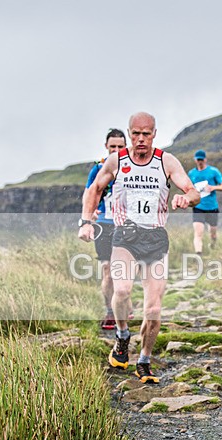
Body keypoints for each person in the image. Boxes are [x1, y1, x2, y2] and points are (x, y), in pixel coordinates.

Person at [79, 112, 200, 384]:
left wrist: (186, 199)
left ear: (154, 134)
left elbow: (193, 191)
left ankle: (144, 360)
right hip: (125, 236)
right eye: (136, 133)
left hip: (155, 239)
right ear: (129, 133)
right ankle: (122, 334)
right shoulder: (117, 161)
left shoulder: (166, 161)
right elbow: (94, 190)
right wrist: (86, 222)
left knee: (153, 310)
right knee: (121, 290)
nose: (141, 139)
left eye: (146, 133)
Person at [83, 128, 127, 329]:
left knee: (124, 270)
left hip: (126, 224)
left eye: (120, 147)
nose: (116, 150)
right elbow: (88, 193)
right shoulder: (98, 168)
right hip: (104, 223)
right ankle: (110, 311)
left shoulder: (133, 167)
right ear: (106, 147)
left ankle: (124, 303)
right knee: (107, 269)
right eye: (112, 147)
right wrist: (88, 216)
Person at [188, 149, 222, 255]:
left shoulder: (213, 171)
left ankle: (213, 246)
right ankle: (198, 255)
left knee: (213, 234)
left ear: (205, 160)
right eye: (198, 160)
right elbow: (188, 189)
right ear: (195, 160)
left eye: (201, 160)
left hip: (212, 207)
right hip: (198, 207)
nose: (200, 162)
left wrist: (213, 187)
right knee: (198, 233)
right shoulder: (191, 173)